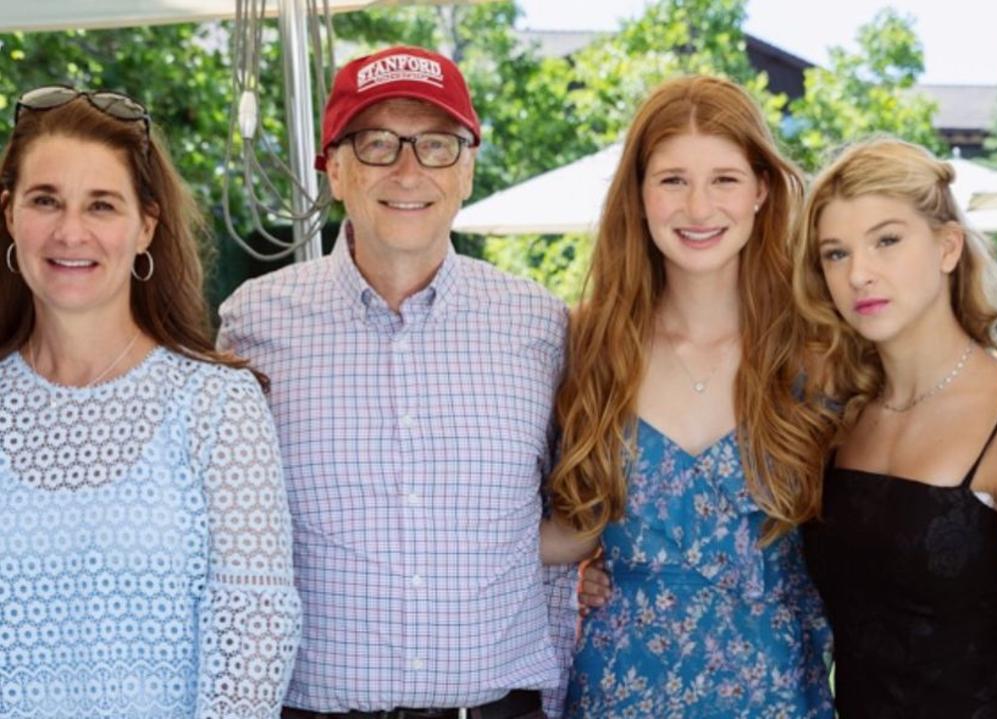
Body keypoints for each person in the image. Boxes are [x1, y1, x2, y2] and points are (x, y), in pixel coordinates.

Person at [218, 46, 575, 719]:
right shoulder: (250, 324)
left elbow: (582, 506)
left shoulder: (540, 325)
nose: (409, 169)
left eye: (437, 145)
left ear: (467, 168)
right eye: (378, 143)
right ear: (335, 167)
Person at [0, 87, 301, 718]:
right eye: (45, 200)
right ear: (9, 215)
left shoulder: (217, 406)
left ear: (146, 226)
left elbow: (255, 637)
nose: (70, 231)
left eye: (101, 205)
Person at [542, 74, 834, 717]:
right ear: (639, 195)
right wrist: (568, 580)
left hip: (778, 691)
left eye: (724, 179)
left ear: (761, 189)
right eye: (673, 179)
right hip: (619, 690)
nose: (699, 208)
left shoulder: (818, 354)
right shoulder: (585, 343)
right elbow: (560, 532)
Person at [795, 137, 997, 718]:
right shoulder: (842, 416)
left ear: (948, 247)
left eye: (887, 241)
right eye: (835, 253)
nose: (859, 274)